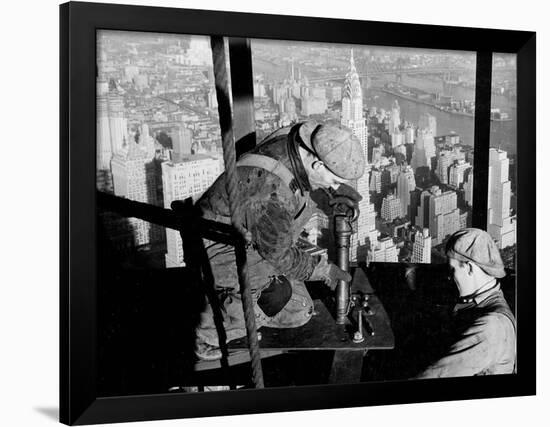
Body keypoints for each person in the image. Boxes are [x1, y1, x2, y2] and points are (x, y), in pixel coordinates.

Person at [194, 121, 365, 360]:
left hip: (251, 232)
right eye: (334, 182)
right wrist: (325, 270)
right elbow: (280, 255)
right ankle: (210, 333)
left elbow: (305, 182)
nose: (334, 187)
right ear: (317, 165)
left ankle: (239, 301)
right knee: (275, 295)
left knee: (301, 310)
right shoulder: (271, 193)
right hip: (218, 247)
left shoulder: (295, 140)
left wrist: (336, 197)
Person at [416, 228, 516, 378]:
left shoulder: (491, 326)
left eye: (452, 270)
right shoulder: (484, 302)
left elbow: (433, 377)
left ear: (469, 267)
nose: (450, 277)